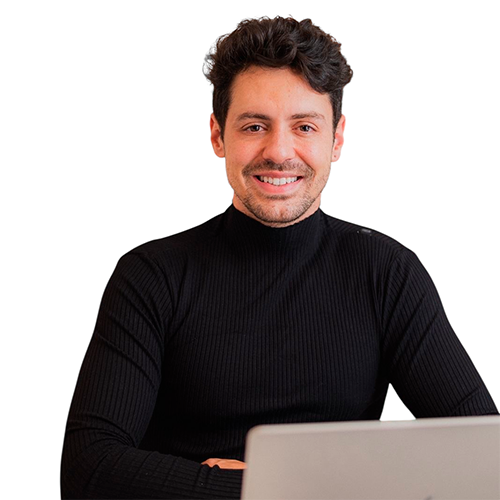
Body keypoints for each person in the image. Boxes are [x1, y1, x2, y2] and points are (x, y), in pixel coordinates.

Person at [61, 16, 498, 500]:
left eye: (304, 126)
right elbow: (87, 469)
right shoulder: (152, 277)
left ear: (336, 139)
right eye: (254, 126)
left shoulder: (386, 274)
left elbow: (486, 459)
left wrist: (266, 487)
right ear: (218, 135)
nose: (279, 151)